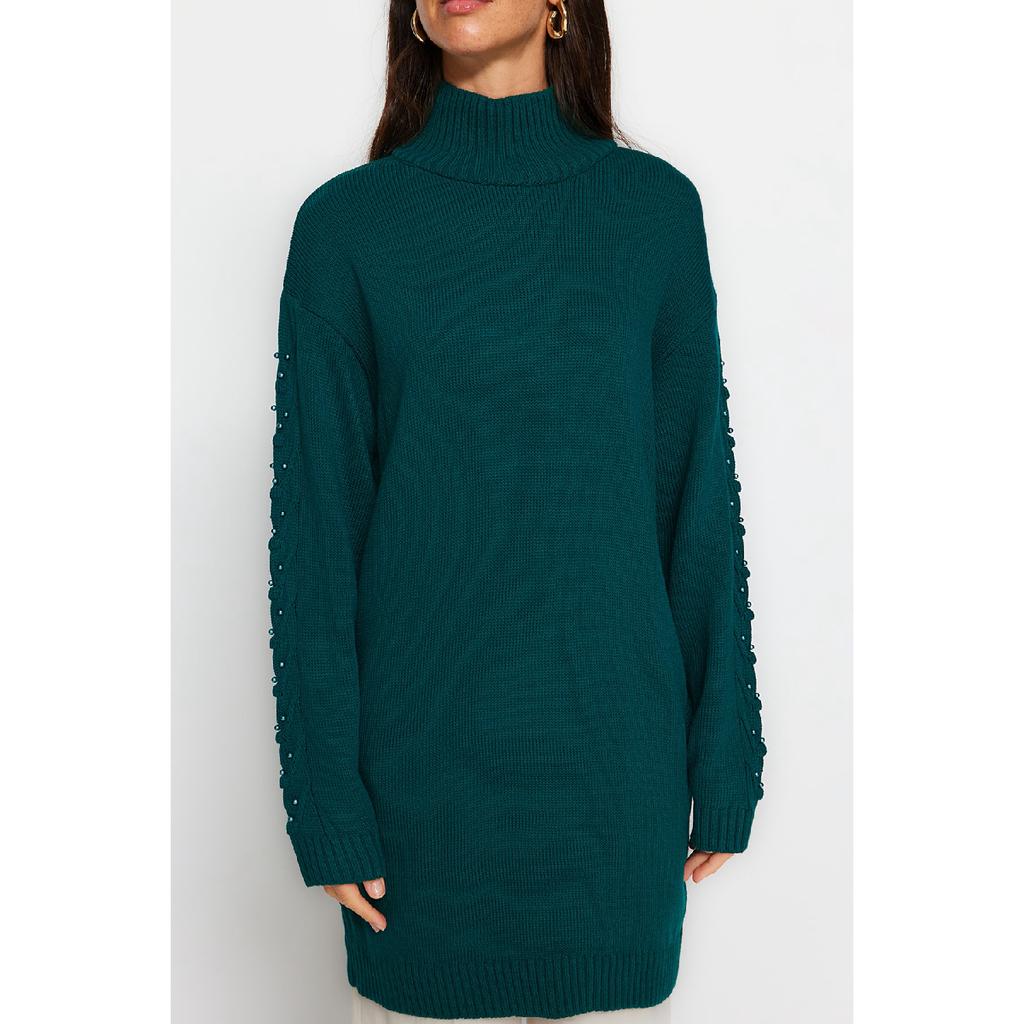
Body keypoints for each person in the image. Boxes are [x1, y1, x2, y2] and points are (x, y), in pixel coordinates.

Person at [267, 2, 766, 1020]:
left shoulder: (652, 213)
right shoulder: (347, 226)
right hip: (421, 793)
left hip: (614, 780)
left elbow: (696, 502)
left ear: (560, 9)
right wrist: (325, 803)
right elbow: (316, 540)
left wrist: (726, 751)